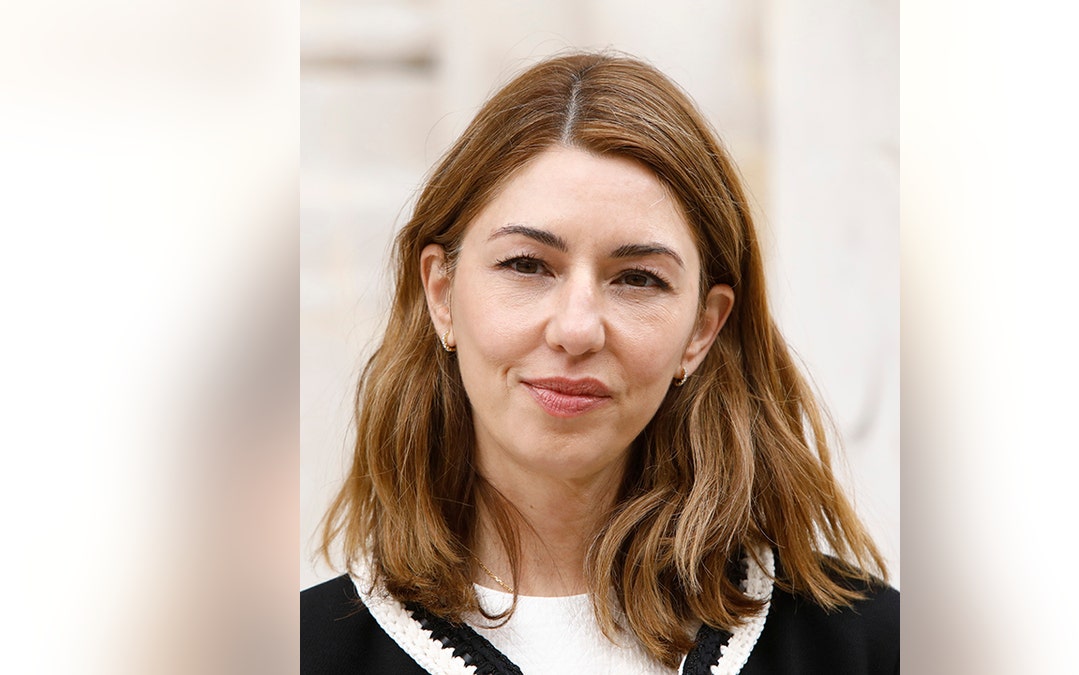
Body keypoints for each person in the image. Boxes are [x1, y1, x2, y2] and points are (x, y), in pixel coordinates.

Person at [301, 51, 898, 674]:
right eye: (527, 265)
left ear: (702, 327)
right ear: (443, 294)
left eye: (637, 278)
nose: (577, 329)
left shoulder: (871, 649)